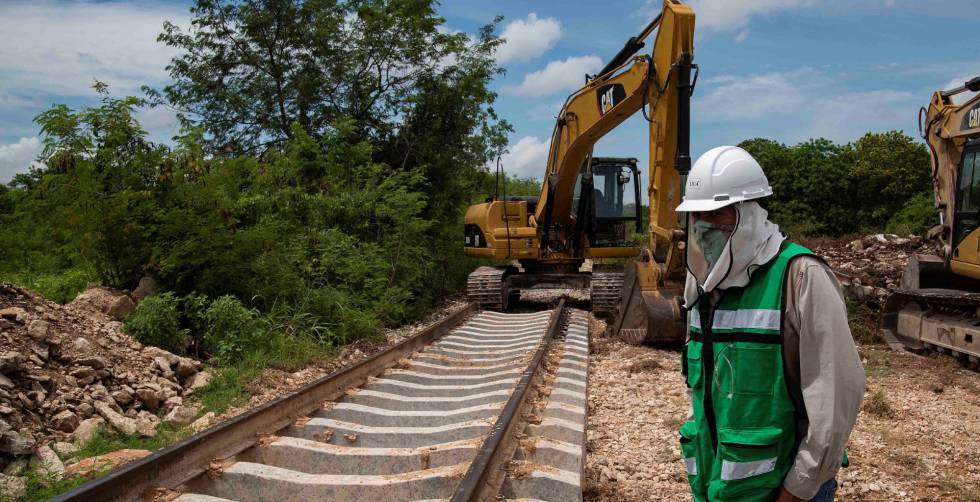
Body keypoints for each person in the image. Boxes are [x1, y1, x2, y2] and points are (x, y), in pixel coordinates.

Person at [674, 146, 865, 502]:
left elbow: (835, 402)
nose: (704, 226)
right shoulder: (699, 284)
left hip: (787, 492)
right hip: (721, 488)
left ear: (747, 214)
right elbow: (702, 388)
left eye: (717, 214)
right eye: (697, 214)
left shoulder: (801, 277)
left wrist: (798, 489)